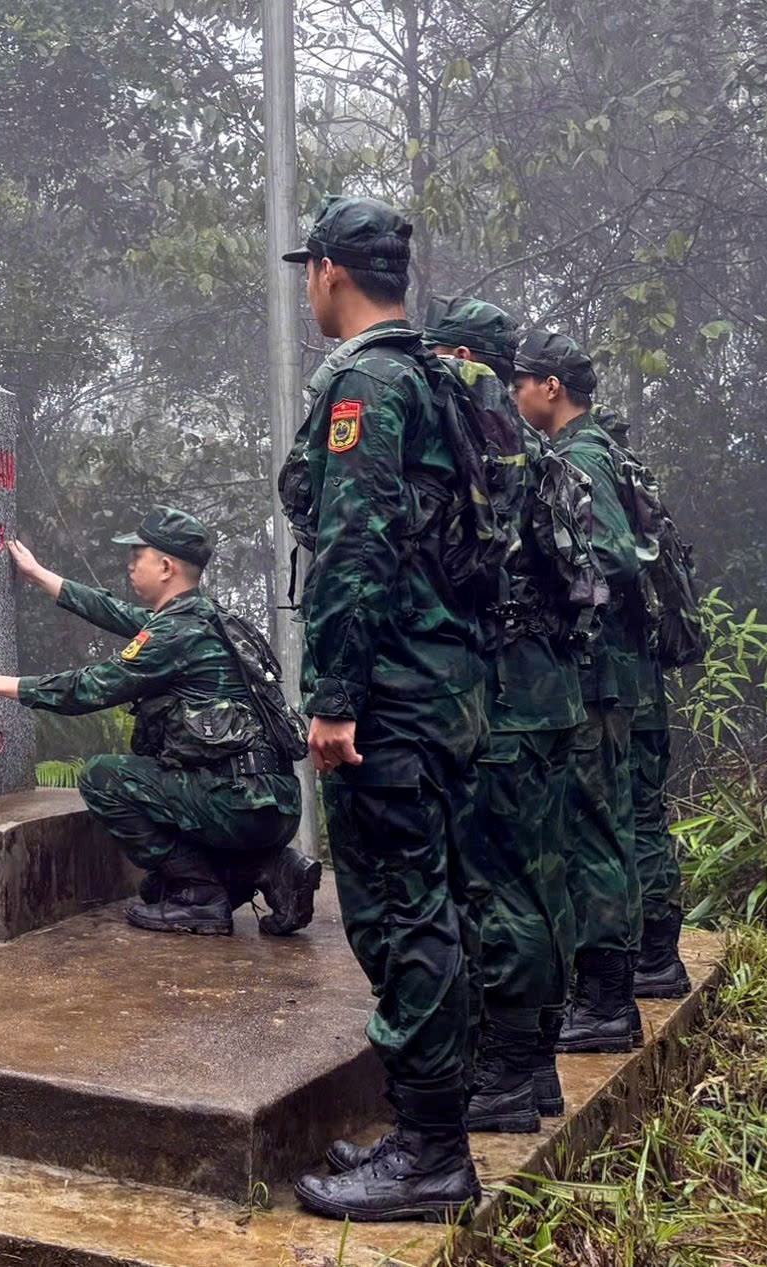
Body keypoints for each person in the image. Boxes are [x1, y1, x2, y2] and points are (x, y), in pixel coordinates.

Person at [277, 197, 487, 1221]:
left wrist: (333, 698)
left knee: (403, 916)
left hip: (391, 697)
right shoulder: (435, 375)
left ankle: (433, 1156)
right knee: (429, 907)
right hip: (442, 684)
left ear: (328, 272)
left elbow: (354, 549)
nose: (305, 290)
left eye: (306, 273)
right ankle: (424, 1130)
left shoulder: (367, 380)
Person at [0, 507, 316, 938]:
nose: (131, 564)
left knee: (103, 777)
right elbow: (113, 611)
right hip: (272, 804)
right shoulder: (209, 618)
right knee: (156, 888)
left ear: (167, 566)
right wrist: (40, 575)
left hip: (238, 802)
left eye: (139, 555)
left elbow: (92, 687)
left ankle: (200, 897)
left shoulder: (174, 634)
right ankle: (269, 866)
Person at [420, 298, 591, 1134]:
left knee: (499, 889)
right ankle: (540, 1065)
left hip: (508, 698)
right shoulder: (543, 452)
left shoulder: (481, 448)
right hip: (551, 690)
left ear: (460, 356)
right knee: (544, 876)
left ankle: (507, 1072)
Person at [510, 332, 646, 1052]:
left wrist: (562, 591)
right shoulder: (594, 449)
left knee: (594, 833)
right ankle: (606, 993)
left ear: (552, 387)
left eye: (521, 381)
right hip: (603, 674)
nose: (513, 394)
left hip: (593, 678)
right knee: (602, 828)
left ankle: (605, 997)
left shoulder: (579, 455)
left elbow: (616, 555)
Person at [603, 410, 692, 999]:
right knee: (645, 816)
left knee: (623, 819)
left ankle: (649, 955)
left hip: (618, 678)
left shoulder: (599, 485)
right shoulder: (639, 488)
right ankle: (658, 952)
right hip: (645, 675)